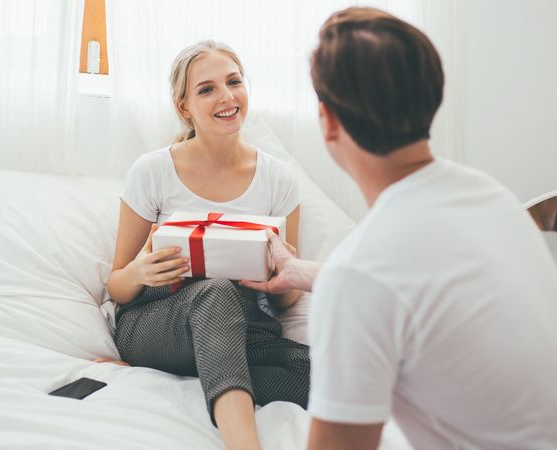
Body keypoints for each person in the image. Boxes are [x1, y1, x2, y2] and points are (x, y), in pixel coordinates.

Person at [242, 7, 557, 450]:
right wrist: (300, 272)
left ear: (328, 121)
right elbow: (416, 285)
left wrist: (337, 283)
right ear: (433, 95)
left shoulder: (361, 275)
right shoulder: (490, 198)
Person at [106, 40, 309, 450]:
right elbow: (116, 285)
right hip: (157, 318)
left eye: (234, 82)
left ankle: (205, 369)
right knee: (215, 293)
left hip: (245, 325)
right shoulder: (152, 171)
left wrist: (282, 275)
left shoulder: (279, 180)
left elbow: (284, 303)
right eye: (207, 89)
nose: (227, 97)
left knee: (327, 375)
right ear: (185, 107)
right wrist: (140, 271)